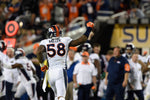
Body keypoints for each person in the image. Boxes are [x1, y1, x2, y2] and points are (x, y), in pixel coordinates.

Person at [37, 21, 94, 100]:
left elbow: (39, 51)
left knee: (56, 96)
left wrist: (42, 65)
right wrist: (89, 29)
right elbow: (81, 40)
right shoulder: (65, 40)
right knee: (61, 97)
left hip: (50, 73)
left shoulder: (45, 42)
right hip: (60, 71)